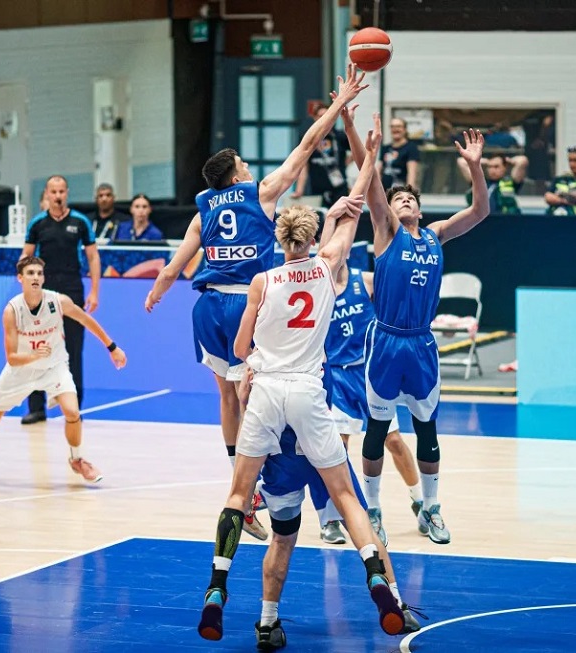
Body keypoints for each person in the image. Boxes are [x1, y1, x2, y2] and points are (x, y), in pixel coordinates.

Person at [196, 129, 407, 642]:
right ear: (313, 239)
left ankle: (219, 588)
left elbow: (240, 349)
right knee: (346, 497)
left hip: (267, 393)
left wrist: (252, 363)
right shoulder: (328, 267)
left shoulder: (262, 281)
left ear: (279, 239)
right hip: (310, 396)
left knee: (240, 496)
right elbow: (354, 208)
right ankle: (379, 583)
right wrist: (369, 156)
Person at [145, 66, 369, 541]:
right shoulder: (261, 194)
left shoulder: (202, 210)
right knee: (255, 390)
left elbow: (173, 268)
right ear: (236, 175)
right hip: (246, 302)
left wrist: (156, 293)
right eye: (244, 164)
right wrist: (339, 102)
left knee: (228, 395)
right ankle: (254, 487)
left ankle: (240, 488)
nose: (249, 168)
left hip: (206, 308)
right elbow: (307, 145)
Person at [343, 107, 490, 546]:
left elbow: (480, 210)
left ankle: (431, 508)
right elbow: (369, 180)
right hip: (386, 340)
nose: (404, 201)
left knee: (427, 429)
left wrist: (475, 167)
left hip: (422, 343)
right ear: (388, 210)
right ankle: (372, 511)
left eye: (411, 199)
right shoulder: (387, 231)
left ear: (421, 211)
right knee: (377, 429)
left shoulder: (435, 234)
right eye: (398, 199)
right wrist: (354, 132)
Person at [251, 369, 422, 649]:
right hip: (320, 439)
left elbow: (243, 400)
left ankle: (268, 622)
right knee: (357, 515)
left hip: (283, 451)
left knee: (281, 538)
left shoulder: (258, 357)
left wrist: (246, 480)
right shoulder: (316, 348)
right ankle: (394, 600)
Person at [0, 256, 126, 485]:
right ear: (20, 278)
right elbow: (12, 358)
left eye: (39, 273)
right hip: (21, 371)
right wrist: (34, 355)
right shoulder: (12, 311)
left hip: (54, 367)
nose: (35, 277)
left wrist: (112, 347)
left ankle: (77, 459)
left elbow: (86, 320)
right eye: (30, 273)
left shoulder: (58, 301)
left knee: (72, 412)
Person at [317, 208, 423, 547]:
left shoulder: (365, 280)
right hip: (338, 378)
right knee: (336, 451)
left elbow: (399, 294)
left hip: (371, 374)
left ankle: (421, 502)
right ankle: (330, 519)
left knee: (394, 441)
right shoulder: (318, 288)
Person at [20, 175, 101, 425]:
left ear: (67, 193)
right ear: (47, 194)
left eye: (61, 191)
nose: (57, 196)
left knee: (73, 350)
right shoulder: (37, 224)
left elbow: (93, 257)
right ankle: (36, 408)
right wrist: (26, 283)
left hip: (72, 289)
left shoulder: (80, 222)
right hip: (42, 290)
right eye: (53, 192)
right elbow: (26, 256)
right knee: (36, 347)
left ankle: (73, 408)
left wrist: (94, 291)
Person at [290, 132, 350, 208]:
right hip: (317, 188)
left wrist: (345, 163)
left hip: (339, 188)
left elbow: (356, 150)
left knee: (341, 212)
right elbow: (304, 165)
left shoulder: (340, 136)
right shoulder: (309, 136)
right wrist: (299, 190)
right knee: (318, 213)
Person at [459, 153, 528, 215]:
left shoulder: (511, 182)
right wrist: (484, 161)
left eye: (496, 166)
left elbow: (523, 161)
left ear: (504, 167)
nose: (492, 170)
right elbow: (461, 162)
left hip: (505, 220)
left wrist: (508, 160)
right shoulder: (479, 182)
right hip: (483, 221)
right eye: (489, 167)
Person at [379, 117, 420, 189]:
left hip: (401, 191)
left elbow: (412, 173)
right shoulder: (385, 148)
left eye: (398, 126)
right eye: (392, 126)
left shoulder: (411, 148)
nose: (395, 129)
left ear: (405, 129)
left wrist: (409, 192)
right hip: (384, 191)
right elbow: (378, 171)